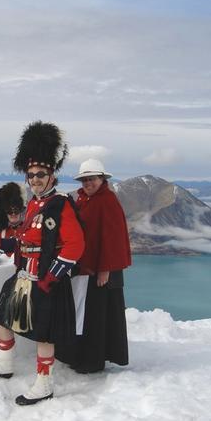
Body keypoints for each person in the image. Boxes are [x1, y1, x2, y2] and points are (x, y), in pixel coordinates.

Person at [0, 121, 85, 406]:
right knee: (2, 315)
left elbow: (76, 245)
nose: (35, 179)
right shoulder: (33, 206)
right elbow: (24, 243)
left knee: (43, 332)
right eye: (31, 175)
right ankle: (5, 363)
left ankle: (44, 383)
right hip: (24, 276)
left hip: (47, 279)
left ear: (51, 176)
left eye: (41, 174)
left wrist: (52, 275)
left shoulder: (61, 205)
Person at [56, 159, 132, 373]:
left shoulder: (107, 201)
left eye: (92, 179)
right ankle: (81, 356)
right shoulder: (84, 200)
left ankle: (92, 361)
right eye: (85, 179)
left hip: (101, 270)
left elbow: (113, 238)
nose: (88, 183)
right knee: (87, 315)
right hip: (87, 267)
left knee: (96, 317)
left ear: (102, 179)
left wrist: (105, 269)